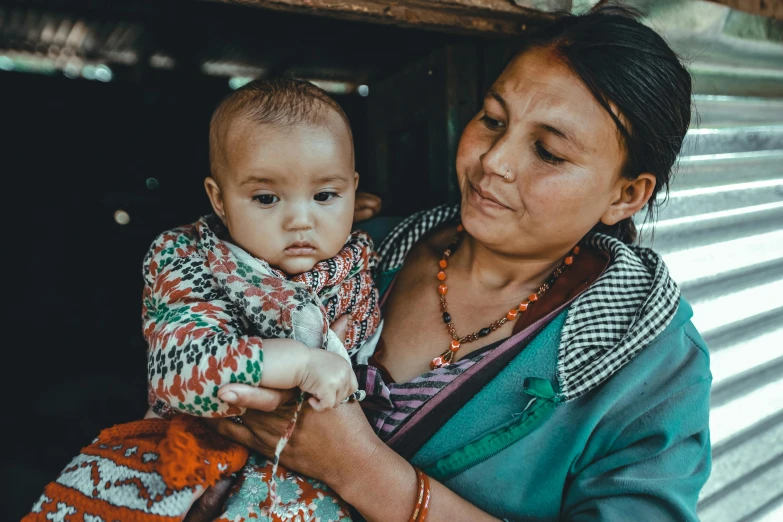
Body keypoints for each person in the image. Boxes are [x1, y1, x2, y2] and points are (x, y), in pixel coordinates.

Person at [194, 6, 712, 522]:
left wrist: (359, 467)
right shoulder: (359, 251)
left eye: (549, 152)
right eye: (492, 120)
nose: (494, 160)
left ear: (626, 195)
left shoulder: (656, 371)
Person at [25, 79, 382, 522]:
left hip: (317, 484)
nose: (301, 220)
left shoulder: (360, 260)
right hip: (195, 466)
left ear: (353, 190)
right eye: (266, 198)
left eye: (325, 195)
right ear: (220, 199)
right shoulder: (190, 258)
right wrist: (303, 365)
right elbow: (181, 366)